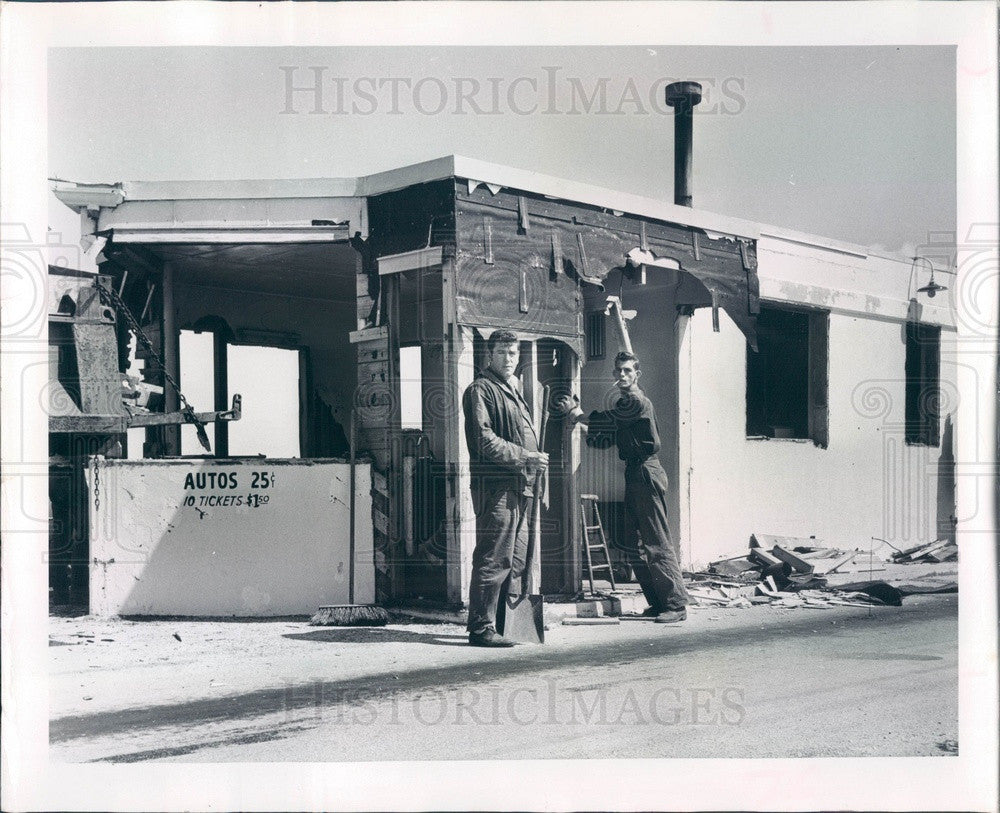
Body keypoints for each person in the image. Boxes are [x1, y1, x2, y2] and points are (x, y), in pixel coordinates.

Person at [557, 351, 689, 623]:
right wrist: (581, 424)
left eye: (628, 370)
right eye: (618, 371)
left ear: (637, 374)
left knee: (655, 540)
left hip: (645, 472)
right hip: (635, 472)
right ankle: (659, 602)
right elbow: (607, 437)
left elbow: (609, 421)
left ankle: (676, 604)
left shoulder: (636, 401)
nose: (622, 375)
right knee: (635, 544)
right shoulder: (626, 404)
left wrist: (577, 413)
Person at [462, 330, 549, 647]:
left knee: (519, 559)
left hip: (522, 486)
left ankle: (506, 623)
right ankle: (481, 627)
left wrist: (534, 463)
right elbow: (483, 441)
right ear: (489, 355)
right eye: (502, 352)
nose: (509, 359)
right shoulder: (480, 391)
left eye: (513, 353)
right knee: (494, 557)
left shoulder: (513, 390)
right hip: (496, 488)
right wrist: (524, 456)